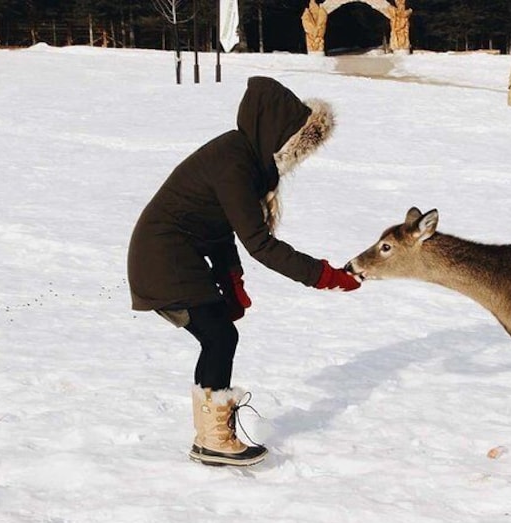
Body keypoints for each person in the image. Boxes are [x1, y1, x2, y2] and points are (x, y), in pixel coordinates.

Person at [127, 77, 361, 467]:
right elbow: (261, 245)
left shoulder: (241, 157)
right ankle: (214, 439)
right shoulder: (233, 164)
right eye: (295, 144)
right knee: (220, 336)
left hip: (172, 253)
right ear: (276, 134)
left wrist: (230, 280)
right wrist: (324, 275)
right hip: (163, 257)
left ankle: (210, 436)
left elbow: (218, 228)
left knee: (218, 336)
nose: (297, 157)